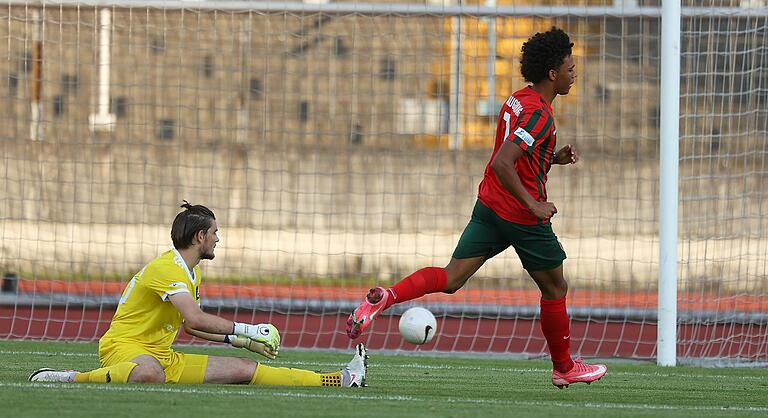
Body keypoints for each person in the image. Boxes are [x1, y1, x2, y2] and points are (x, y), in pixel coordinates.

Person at [346, 27, 605, 389]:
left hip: (491, 205)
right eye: (570, 68)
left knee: (452, 278)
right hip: (521, 215)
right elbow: (503, 161)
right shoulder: (541, 115)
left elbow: (519, 158)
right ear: (552, 73)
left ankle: (386, 297)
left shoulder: (517, 100)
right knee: (555, 288)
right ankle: (564, 367)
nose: (573, 73)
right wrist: (534, 204)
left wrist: (553, 158)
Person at [30, 202, 367, 388]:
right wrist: (247, 330)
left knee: (245, 369)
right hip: (125, 349)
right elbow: (194, 318)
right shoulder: (167, 268)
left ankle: (339, 379)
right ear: (200, 236)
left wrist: (240, 344)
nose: (219, 239)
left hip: (162, 356)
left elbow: (191, 328)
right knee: (148, 374)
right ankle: (71, 377)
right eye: (215, 233)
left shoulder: (192, 271)